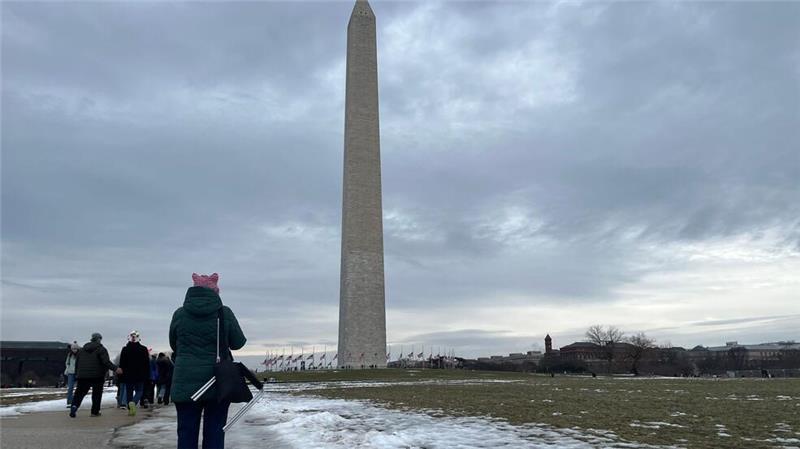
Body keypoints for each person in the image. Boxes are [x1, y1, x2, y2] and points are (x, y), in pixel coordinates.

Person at [170, 273, 246, 449]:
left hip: (185, 382)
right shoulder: (224, 313)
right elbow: (238, 343)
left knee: (186, 432)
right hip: (217, 382)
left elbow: (174, 344)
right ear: (216, 292)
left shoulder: (179, 314)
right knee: (215, 432)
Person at [70, 333, 122, 418]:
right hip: (97, 375)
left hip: (83, 375)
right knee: (96, 394)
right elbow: (106, 362)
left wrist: (77, 374)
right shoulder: (101, 349)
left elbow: (77, 363)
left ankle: (74, 406)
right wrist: (116, 369)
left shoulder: (82, 350)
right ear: (99, 339)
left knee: (79, 393)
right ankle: (95, 412)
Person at [119, 330, 150, 416]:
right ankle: (134, 402)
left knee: (129, 392)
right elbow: (146, 363)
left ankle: (130, 408)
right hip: (140, 374)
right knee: (139, 391)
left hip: (128, 374)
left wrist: (122, 374)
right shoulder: (143, 349)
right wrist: (147, 375)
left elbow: (122, 363)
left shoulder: (125, 349)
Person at [64, 342, 79, 407]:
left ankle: (76, 401)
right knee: (70, 388)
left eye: (75, 349)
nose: (74, 350)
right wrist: (68, 368)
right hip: (71, 373)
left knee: (79, 388)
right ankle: (70, 402)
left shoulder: (80, 355)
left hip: (78, 373)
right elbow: (67, 362)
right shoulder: (69, 355)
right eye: (73, 349)